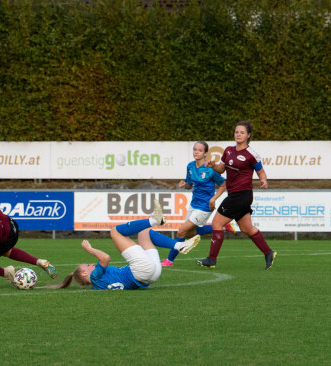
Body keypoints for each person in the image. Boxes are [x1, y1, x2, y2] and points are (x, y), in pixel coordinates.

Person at [50, 199, 200, 291]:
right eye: (87, 265)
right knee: (115, 231)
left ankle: (178, 246)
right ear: (84, 274)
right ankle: (155, 220)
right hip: (142, 271)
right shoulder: (95, 278)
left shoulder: (98, 282)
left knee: (144, 232)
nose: (90, 264)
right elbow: (105, 258)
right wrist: (89, 249)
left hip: (151, 275)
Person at [195, 120, 277, 270]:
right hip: (237, 195)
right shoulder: (228, 150)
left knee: (217, 223)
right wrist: (213, 165)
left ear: (248, 135)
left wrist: (263, 180)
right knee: (247, 229)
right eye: (236, 132)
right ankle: (268, 252)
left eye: (242, 132)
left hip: (241, 195)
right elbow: (221, 169)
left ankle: (211, 259)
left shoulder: (252, 154)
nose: (238, 134)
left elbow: (261, 172)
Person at [161, 141, 236, 267]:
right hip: (193, 204)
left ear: (205, 153)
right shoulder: (190, 166)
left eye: (199, 150)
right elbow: (189, 185)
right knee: (190, 233)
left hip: (205, 207)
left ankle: (169, 261)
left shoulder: (210, 170)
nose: (196, 152)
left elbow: (224, 184)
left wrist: (213, 199)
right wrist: (185, 185)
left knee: (181, 231)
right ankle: (223, 226)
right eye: (195, 149)